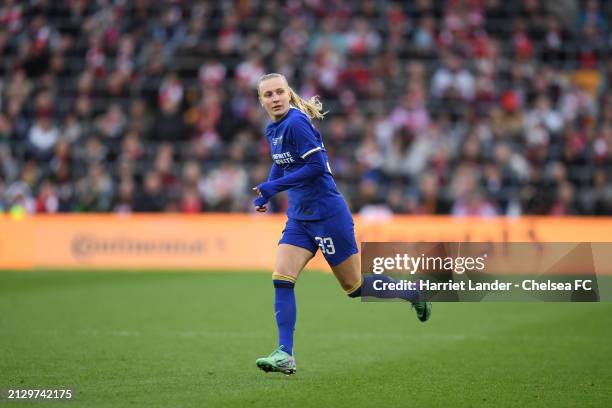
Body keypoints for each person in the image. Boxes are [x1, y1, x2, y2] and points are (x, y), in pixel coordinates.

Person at [253, 73, 432, 375]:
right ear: (262, 101)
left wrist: (276, 188)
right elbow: (280, 160)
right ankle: (285, 353)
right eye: (268, 94)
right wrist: (268, 190)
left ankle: (412, 292)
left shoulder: (296, 123)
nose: (275, 98)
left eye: (279, 92)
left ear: (288, 93)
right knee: (282, 277)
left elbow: (315, 167)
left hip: (327, 215)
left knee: (355, 287)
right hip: (299, 217)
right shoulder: (274, 128)